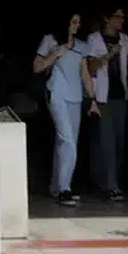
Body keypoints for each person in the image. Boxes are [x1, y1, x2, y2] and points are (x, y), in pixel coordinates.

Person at [34, 15, 100, 207]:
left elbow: (85, 74)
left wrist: (92, 99)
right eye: (73, 21)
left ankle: (57, 186)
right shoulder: (51, 40)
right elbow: (37, 67)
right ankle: (65, 189)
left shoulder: (82, 45)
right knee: (67, 140)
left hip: (76, 96)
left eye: (79, 22)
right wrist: (57, 53)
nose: (77, 25)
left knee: (66, 142)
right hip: (57, 92)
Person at [86, 10, 128, 202]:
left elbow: (127, 66)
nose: (121, 20)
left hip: (120, 95)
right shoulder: (94, 39)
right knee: (107, 142)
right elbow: (90, 67)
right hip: (102, 97)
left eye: (122, 17)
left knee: (119, 142)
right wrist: (109, 55)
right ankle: (110, 186)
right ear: (107, 18)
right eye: (117, 17)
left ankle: (111, 181)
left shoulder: (125, 39)